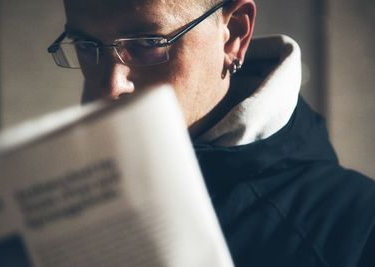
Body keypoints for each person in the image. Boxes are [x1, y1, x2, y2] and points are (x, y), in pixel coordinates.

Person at [48, 0, 375, 266]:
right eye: (86, 45)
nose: (111, 86)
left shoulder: (358, 230)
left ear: (233, 34)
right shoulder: (50, 189)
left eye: (149, 43)